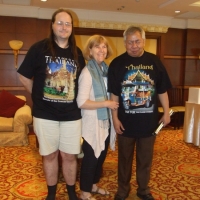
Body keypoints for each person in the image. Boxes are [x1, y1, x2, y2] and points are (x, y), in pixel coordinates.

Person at [17, 8, 85, 200]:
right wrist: (37, 94)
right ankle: (52, 194)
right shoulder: (39, 49)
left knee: (70, 156)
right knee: (50, 155)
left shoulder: (77, 53)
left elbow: (81, 82)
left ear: (72, 27)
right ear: (53, 25)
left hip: (72, 115)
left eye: (68, 24)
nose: (64, 27)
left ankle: (71, 193)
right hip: (45, 114)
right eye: (60, 23)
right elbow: (23, 75)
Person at [108, 26, 172, 200]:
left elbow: (162, 90)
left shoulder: (155, 62)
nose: (134, 45)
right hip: (124, 122)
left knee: (145, 159)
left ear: (143, 41)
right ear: (125, 43)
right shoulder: (117, 63)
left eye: (137, 41)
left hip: (149, 123)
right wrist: (114, 118)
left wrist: (167, 113)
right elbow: (113, 94)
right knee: (124, 160)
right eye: (130, 42)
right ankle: (123, 190)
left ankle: (143, 190)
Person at [76, 35, 119, 200]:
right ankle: (84, 192)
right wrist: (106, 104)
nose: (101, 50)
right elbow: (81, 102)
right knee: (91, 159)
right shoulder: (87, 72)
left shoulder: (105, 70)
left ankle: (93, 185)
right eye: (97, 47)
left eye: (104, 47)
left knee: (100, 157)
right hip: (91, 122)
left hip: (104, 121)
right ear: (90, 50)